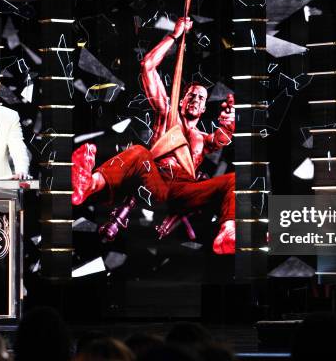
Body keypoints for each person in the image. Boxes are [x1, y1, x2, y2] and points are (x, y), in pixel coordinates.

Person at [72, 17, 236, 254]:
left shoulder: (202, 139)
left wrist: (230, 122)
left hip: (185, 193)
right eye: (191, 95)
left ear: (203, 109)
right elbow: (148, 65)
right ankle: (88, 185)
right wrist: (174, 36)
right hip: (155, 183)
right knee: (139, 152)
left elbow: (222, 138)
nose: (196, 99)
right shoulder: (167, 113)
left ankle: (227, 232)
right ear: (182, 101)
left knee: (233, 179)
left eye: (201, 98)